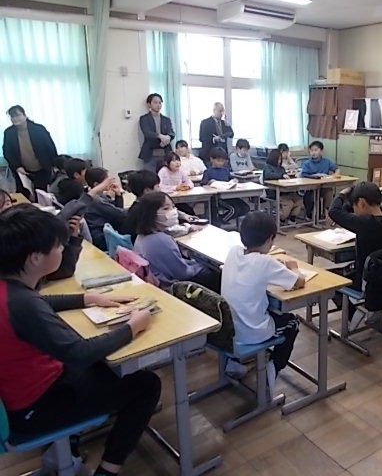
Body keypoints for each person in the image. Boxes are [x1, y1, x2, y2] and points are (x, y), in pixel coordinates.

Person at [0, 205, 160, 476]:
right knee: (147, 385)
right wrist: (132, 327)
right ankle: (107, 469)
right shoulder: (23, 303)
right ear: (35, 258)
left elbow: (41, 302)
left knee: (106, 367)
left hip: (24, 394)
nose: (62, 249)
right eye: (57, 246)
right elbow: (80, 353)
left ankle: (67, 446)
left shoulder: (11, 289)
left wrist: (88, 298)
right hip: (35, 409)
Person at [221, 211, 304, 394]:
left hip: (227, 330)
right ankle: (272, 369)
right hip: (250, 333)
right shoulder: (265, 262)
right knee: (292, 322)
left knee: (265, 309)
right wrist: (294, 268)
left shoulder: (234, 252)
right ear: (269, 239)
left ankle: (233, 364)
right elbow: (299, 282)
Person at [328, 182, 382, 322]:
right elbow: (348, 210)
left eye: (355, 205)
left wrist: (342, 194)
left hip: (365, 280)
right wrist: (352, 198)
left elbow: (334, 212)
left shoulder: (366, 223)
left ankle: (352, 316)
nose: (354, 210)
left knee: (327, 279)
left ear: (362, 202)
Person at [132, 191, 219, 292]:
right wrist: (201, 266)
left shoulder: (142, 235)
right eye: (166, 208)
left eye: (173, 207)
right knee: (215, 273)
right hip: (171, 286)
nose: (173, 212)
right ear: (151, 213)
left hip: (159, 280)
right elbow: (183, 273)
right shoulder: (161, 240)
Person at [122, 170, 199, 241]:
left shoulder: (143, 205)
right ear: (147, 191)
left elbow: (167, 211)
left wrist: (184, 216)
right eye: (158, 186)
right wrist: (189, 228)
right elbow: (166, 232)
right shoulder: (144, 211)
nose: (160, 189)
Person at [3, 105, 58, 198]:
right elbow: (7, 152)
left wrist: (54, 164)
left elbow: (50, 147)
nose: (15, 118)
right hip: (22, 171)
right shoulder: (9, 132)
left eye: (18, 115)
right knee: (23, 195)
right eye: (12, 116)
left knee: (41, 195)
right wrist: (17, 167)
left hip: (42, 168)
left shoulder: (38, 129)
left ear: (25, 115)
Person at [83, 168, 128, 251]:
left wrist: (118, 194)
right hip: (102, 236)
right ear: (96, 184)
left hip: (107, 229)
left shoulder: (98, 195)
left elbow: (117, 210)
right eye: (107, 181)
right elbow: (119, 214)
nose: (110, 183)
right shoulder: (96, 200)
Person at [202, 149, 250, 225]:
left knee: (245, 208)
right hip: (218, 198)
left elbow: (231, 178)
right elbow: (203, 184)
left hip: (230, 195)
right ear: (211, 159)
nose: (221, 163)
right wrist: (209, 182)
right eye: (218, 161)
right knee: (234, 210)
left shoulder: (225, 170)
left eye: (223, 161)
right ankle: (220, 220)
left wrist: (234, 180)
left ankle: (221, 219)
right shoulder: (208, 172)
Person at [301, 141, 340, 220]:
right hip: (311, 188)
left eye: (316, 150)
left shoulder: (326, 161)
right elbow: (304, 175)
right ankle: (310, 215)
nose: (313, 152)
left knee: (329, 192)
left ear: (321, 151)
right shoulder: (307, 163)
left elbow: (337, 169)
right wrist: (315, 176)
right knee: (311, 197)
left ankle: (328, 213)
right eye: (311, 150)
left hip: (323, 186)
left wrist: (334, 176)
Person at [263, 149, 303, 225]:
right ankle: (281, 218)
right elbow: (269, 175)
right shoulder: (267, 167)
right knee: (289, 203)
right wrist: (281, 175)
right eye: (278, 159)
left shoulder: (281, 168)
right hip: (274, 192)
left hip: (285, 191)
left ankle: (292, 219)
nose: (279, 161)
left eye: (280, 159)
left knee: (299, 200)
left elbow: (285, 175)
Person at [138, 93, 175, 173]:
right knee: (150, 177)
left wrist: (168, 138)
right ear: (149, 104)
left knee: (165, 176)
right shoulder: (144, 118)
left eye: (160, 103)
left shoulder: (166, 119)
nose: (158, 105)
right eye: (155, 102)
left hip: (165, 154)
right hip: (150, 155)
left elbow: (172, 133)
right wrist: (160, 136)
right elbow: (147, 133)